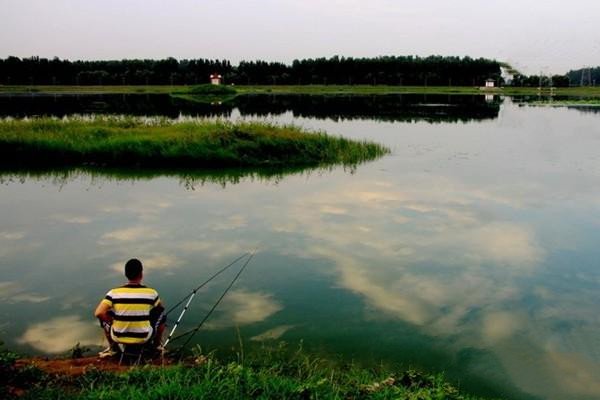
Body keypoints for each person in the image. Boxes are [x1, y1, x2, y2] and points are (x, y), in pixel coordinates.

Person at [94, 258, 166, 358]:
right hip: (144, 337)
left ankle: (113, 348)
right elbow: (160, 307)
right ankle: (156, 346)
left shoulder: (113, 293)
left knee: (106, 314)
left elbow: (99, 313)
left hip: (117, 336)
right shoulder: (151, 293)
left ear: (126, 274)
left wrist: (111, 321)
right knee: (161, 313)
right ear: (141, 274)